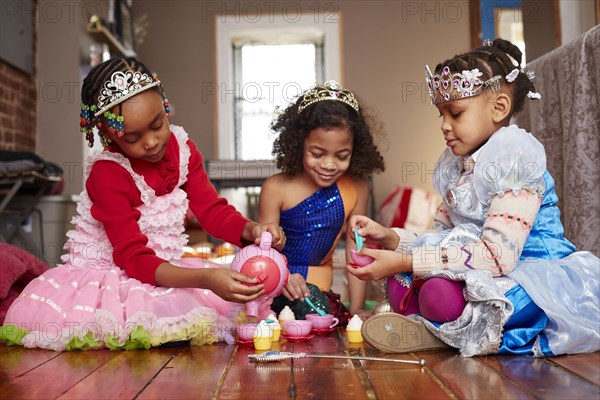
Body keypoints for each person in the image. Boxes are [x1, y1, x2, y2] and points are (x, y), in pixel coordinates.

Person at [0, 57, 285, 350]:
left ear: (164, 106)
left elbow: (212, 211)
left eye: (157, 124)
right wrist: (206, 278)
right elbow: (135, 260)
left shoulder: (182, 148)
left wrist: (251, 228)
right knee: (140, 338)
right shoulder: (107, 174)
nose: (150, 143)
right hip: (115, 278)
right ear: (106, 135)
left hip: (161, 268)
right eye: (132, 138)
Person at [348, 39, 599, 357]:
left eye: (455, 113)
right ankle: (440, 323)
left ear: (499, 108)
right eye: (441, 115)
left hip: (529, 270)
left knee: (440, 292)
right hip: (480, 265)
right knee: (402, 280)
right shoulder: (459, 168)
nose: (444, 126)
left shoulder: (514, 159)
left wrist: (409, 261)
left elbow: (498, 258)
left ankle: (440, 325)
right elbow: (443, 236)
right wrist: (391, 239)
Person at [258, 80, 385, 324]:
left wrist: (356, 308)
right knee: (310, 309)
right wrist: (283, 278)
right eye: (317, 154)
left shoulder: (357, 186)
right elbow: (264, 255)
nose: (328, 165)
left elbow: (355, 249)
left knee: (321, 309)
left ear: (355, 150)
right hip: (278, 288)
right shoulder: (276, 188)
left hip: (320, 291)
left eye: (342, 156)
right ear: (298, 145)